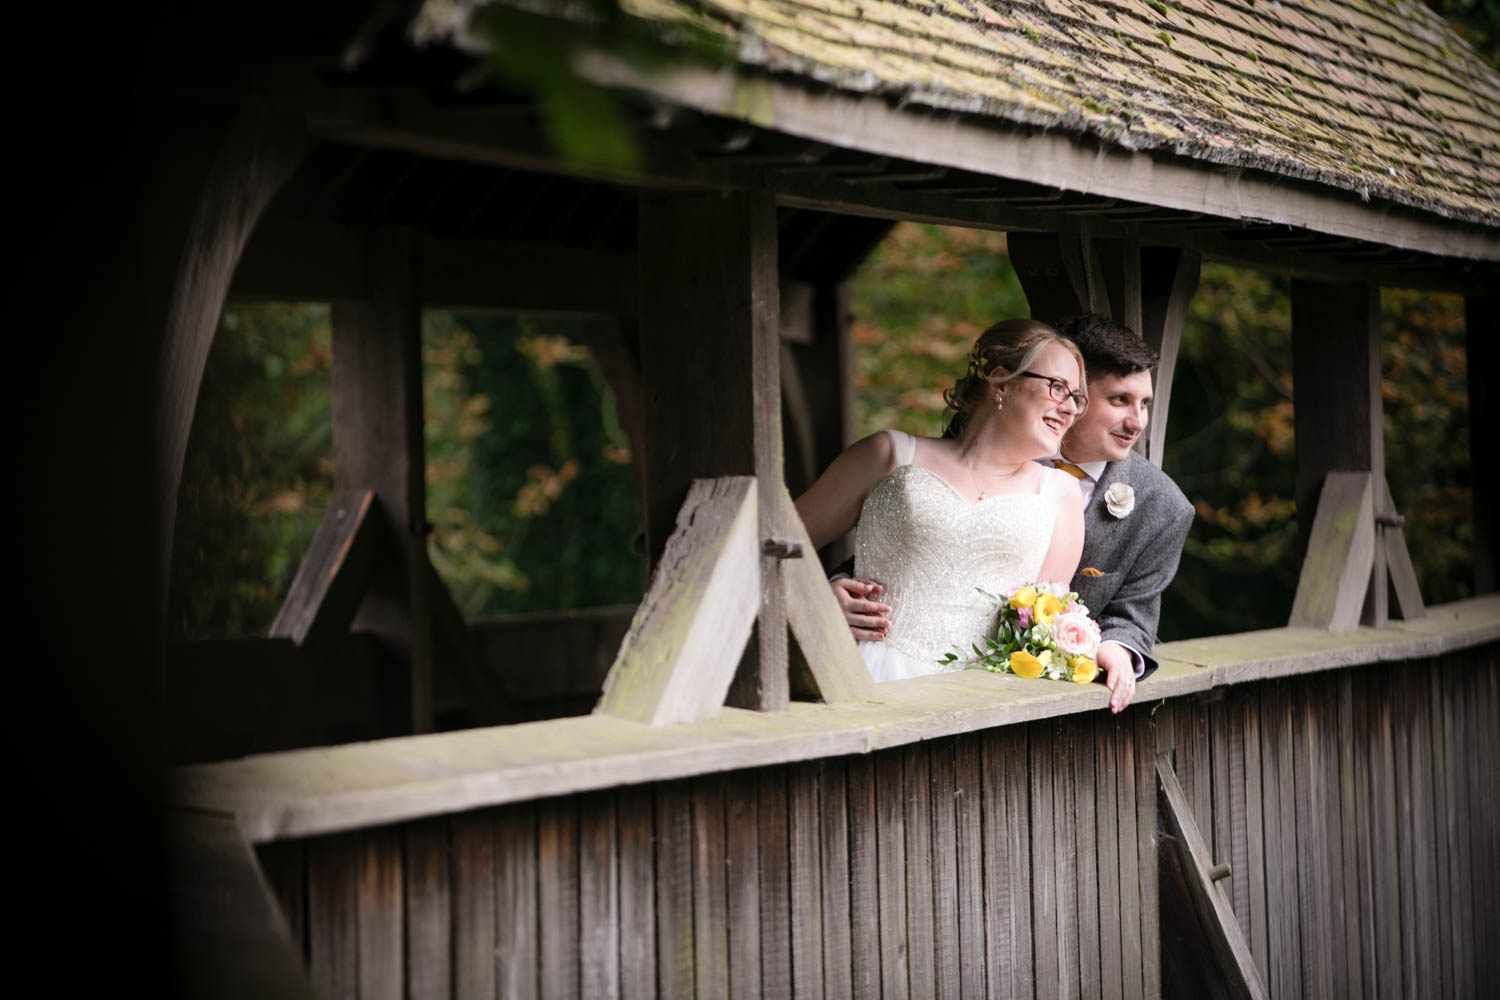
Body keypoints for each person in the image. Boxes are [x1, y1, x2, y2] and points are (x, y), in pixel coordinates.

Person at [833, 313, 1195, 712]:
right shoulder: (985, 427)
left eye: (1145, 404)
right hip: (875, 661)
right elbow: (912, 534)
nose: (1137, 422)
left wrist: (1112, 648)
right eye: (1119, 400)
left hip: (1000, 693)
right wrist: (830, 588)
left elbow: (1133, 615)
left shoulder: (1161, 506)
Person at [795, 319, 1088, 683]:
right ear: (1002, 381)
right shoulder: (889, 454)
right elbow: (768, 547)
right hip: (864, 677)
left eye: (1077, 398)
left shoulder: (1061, 495)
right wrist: (818, 600)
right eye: (1058, 388)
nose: (1070, 409)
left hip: (985, 700)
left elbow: (1038, 636)